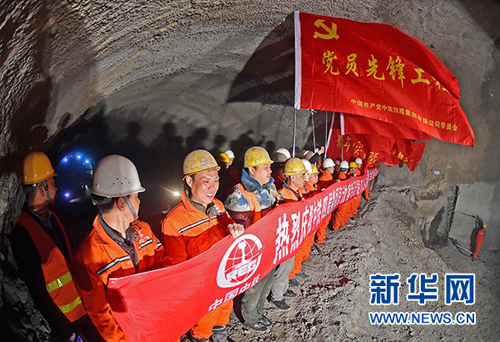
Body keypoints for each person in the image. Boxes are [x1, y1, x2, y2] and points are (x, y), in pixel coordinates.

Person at [73, 155, 172, 341]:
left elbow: (165, 262)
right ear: (121, 203)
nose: (140, 202)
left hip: (161, 326)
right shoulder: (87, 256)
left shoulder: (144, 230)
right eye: (136, 197)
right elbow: (103, 318)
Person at [11, 151, 102, 342]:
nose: (56, 189)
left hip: (82, 311)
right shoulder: (23, 234)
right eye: (52, 183)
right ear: (42, 189)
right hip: (67, 323)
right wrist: (67, 333)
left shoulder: (52, 217)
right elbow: (39, 292)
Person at [161, 150, 244, 342]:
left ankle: (221, 336)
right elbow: (178, 268)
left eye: (216, 181)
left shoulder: (218, 207)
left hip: (224, 277)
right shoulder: (174, 221)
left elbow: (228, 226)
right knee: (204, 324)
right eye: (206, 181)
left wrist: (233, 226)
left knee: (224, 311)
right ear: (189, 182)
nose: (213, 187)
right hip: (201, 289)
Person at [224, 146, 279, 333]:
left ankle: (259, 311)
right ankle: (250, 318)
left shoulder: (270, 187)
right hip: (255, 251)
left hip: (271, 245)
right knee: (255, 285)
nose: (270, 171)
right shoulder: (239, 195)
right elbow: (241, 234)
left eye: (269, 167)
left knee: (267, 281)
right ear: (251, 170)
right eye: (265, 167)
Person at [268, 158, 307, 310]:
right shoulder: (282, 195)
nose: (305, 178)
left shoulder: (298, 192)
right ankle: (276, 296)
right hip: (285, 238)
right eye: (302, 175)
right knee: (283, 267)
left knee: (289, 265)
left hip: (294, 237)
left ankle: (283, 290)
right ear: (292, 177)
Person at [332, 161, 352, 231]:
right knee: (340, 212)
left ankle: (339, 224)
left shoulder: (340, 176)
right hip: (342, 198)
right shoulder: (342, 177)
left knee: (340, 212)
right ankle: (336, 227)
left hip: (340, 197)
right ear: (346, 169)